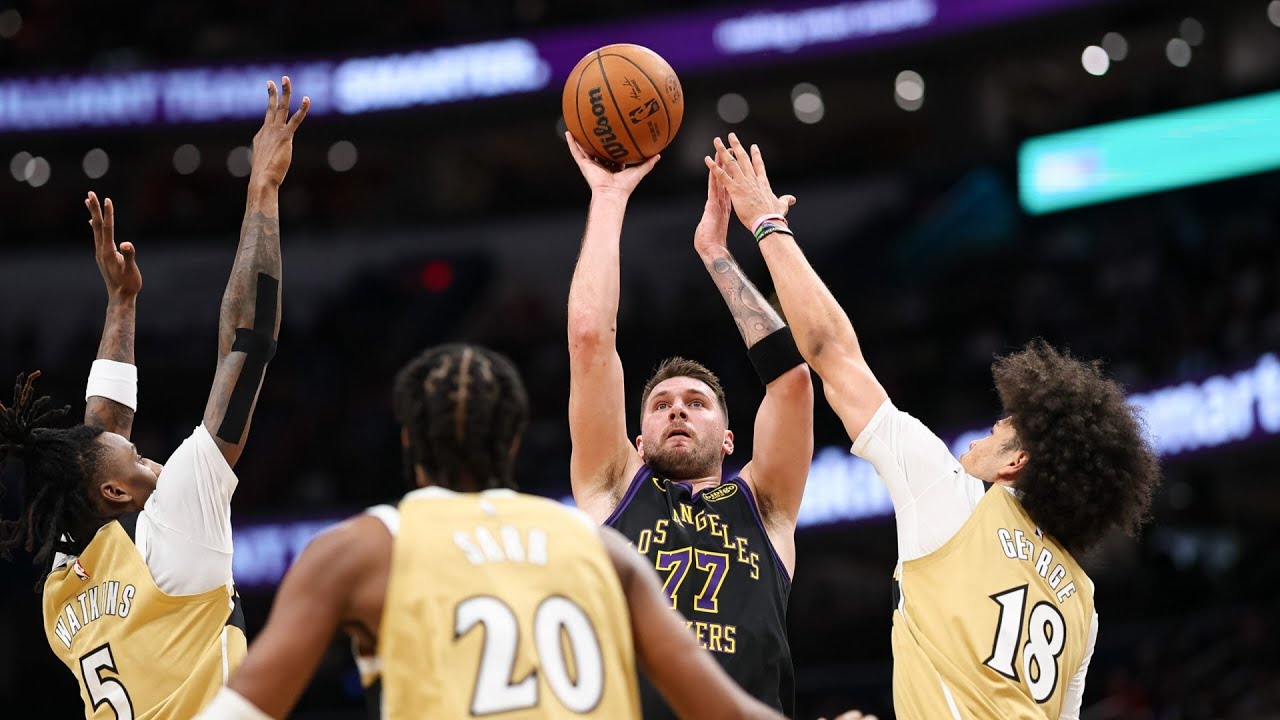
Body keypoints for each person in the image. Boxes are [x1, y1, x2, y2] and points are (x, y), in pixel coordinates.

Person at [706, 133, 1162, 719]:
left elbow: (831, 352)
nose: (989, 429)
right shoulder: (1083, 604)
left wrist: (766, 223)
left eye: (1005, 428)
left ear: (1016, 464)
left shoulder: (955, 497)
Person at [195, 343, 785, 720]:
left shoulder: (362, 549)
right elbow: (723, 708)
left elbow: (244, 711)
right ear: (515, 443)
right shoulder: (601, 550)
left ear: (407, 440)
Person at [0, 77, 308, 719]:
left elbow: (98, 438)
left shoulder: (63, 592)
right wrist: (263, 191)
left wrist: (122, 303)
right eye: (141, 463)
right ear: (114, 494)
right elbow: (247, 343)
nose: (156, 465)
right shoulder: (174, 527)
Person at [563, 134, 814, 718]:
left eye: (698, 403)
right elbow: (589, 340)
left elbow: (791, 381)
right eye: (661, 404)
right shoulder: (612, 488)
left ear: (730, 440)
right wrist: (607, 195)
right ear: (637, 440)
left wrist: (718, 255)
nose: (677, 409)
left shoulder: (766, 505)